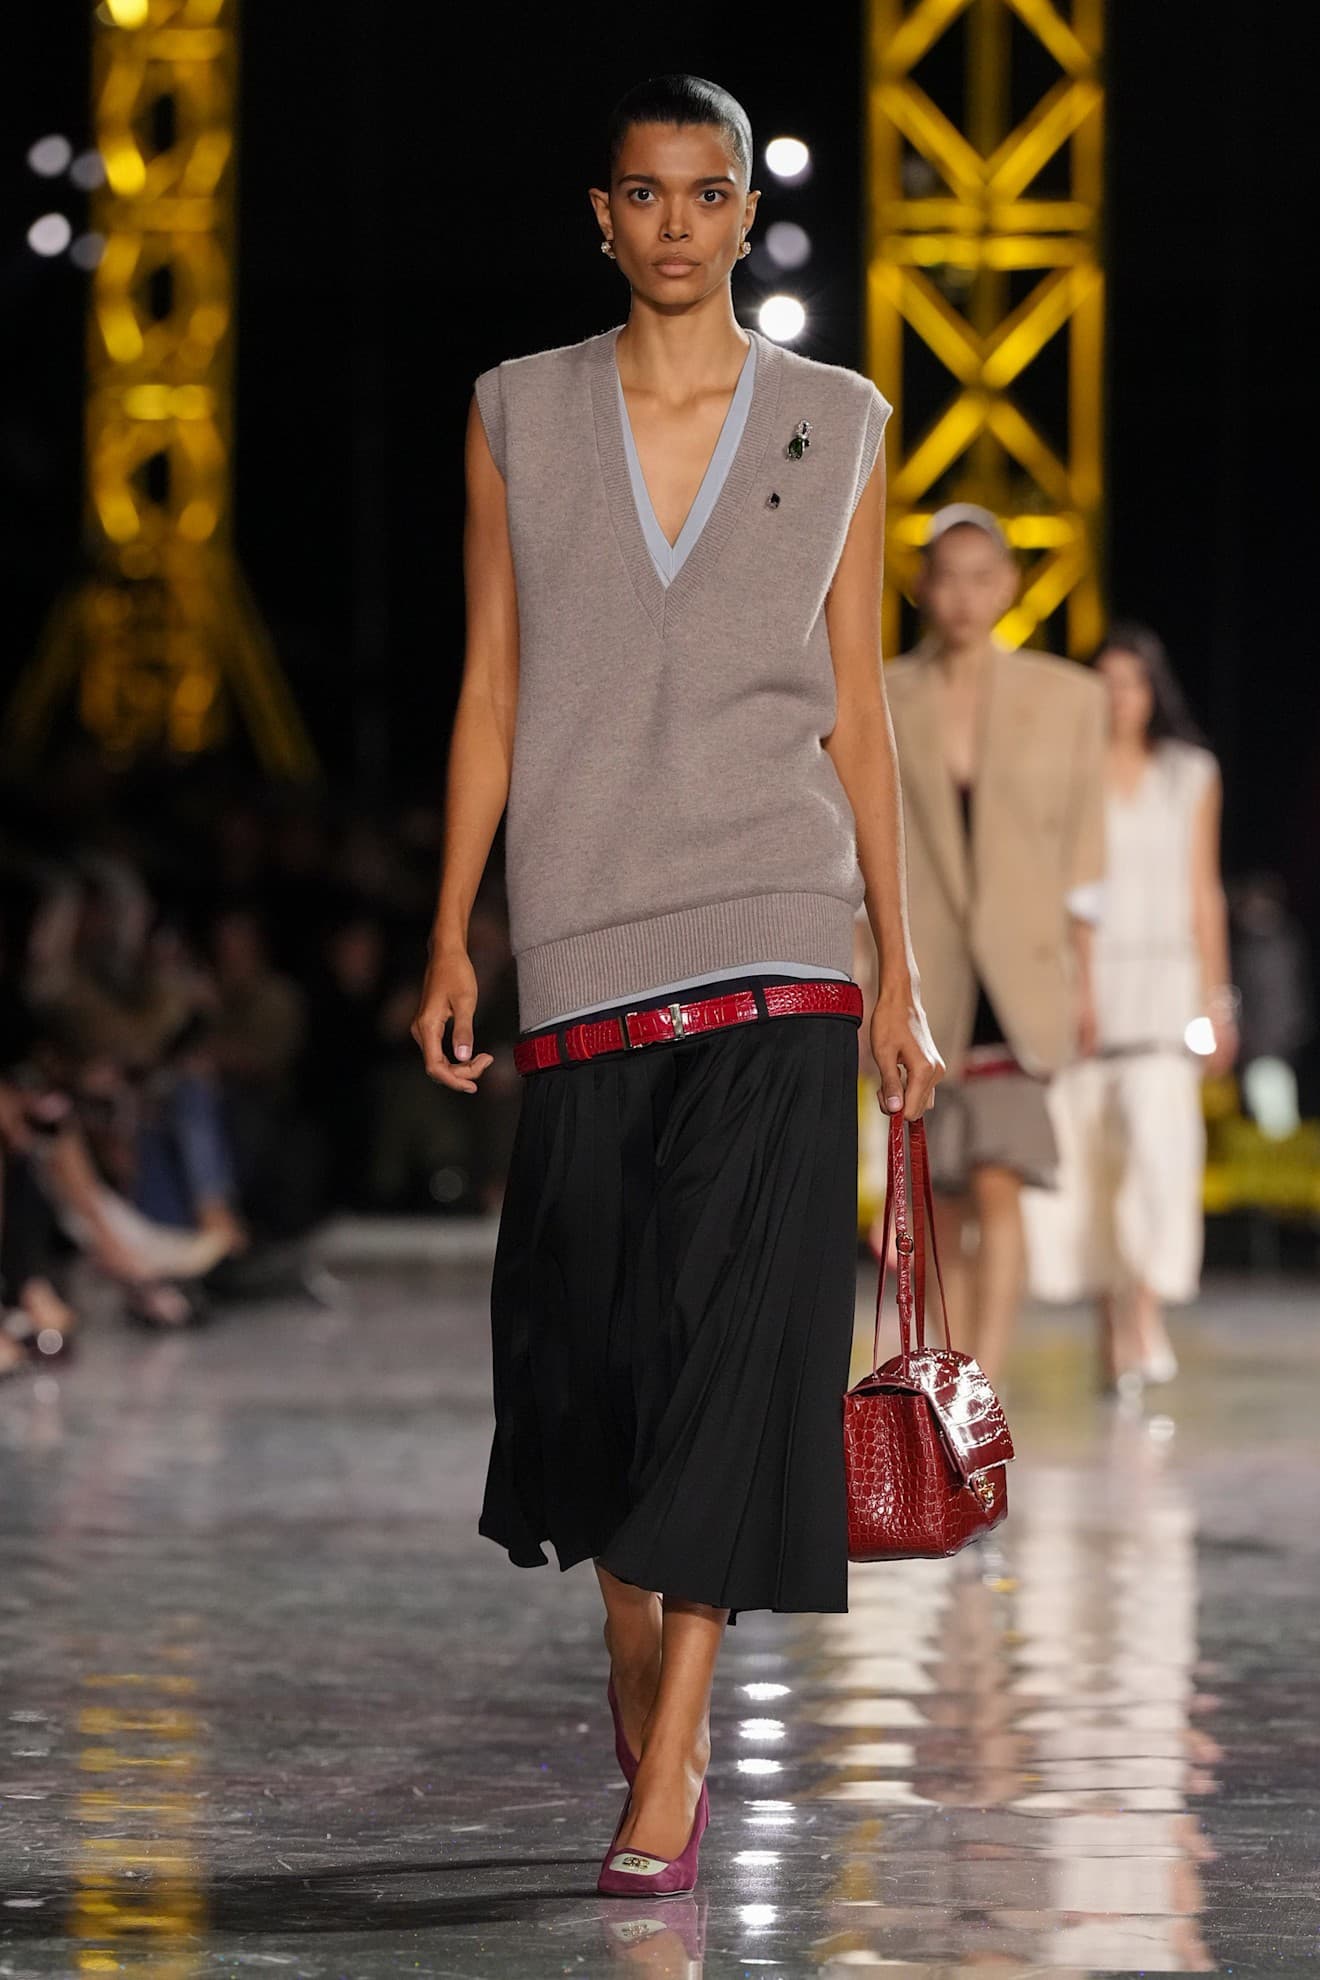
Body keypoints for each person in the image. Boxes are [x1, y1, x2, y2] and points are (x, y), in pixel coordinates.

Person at [411, 73, 941, 1898]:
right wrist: (452, 929)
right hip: (581, 929)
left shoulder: (836, 419)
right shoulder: (517, 410)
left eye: (708, 194)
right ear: (603, 214)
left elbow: (857, 705)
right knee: (593, 1350)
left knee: (739, 1345)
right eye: (645, 195)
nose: (677, 225)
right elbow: (491, 683)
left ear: (745, 215)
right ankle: (638, 1651)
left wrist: (898, 966)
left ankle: (680, 1746)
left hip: (781, 923)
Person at [885, 505, 1106, 1388]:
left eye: (982, 578)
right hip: (924, 975)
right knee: (936, 1197)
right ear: (922, 586)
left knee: (1000, 1180)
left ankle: (983, 1385)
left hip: (1022, 976)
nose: (964, 598)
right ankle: (951, 1385)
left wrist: (1085, 982)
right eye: (947, 578)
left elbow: (1085, 854)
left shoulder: (1068, 698)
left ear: (1010, 585)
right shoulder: (881, 692)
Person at [1022, 623, 1235, 1391]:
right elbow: (1057, 890)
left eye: (1133, 683)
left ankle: (1143, 1312)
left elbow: (1203, 890)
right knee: (1091, 1168)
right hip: (1082, 994)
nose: (1119, 698)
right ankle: (1111, 1328)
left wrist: (1219, 1000)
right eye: (1106, 683)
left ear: (1154, 691)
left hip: (1164, 992)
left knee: (1158, 1157)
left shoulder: (1189, 774)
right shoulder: (1063, 772)